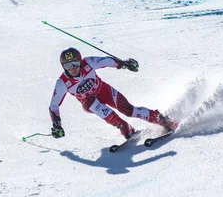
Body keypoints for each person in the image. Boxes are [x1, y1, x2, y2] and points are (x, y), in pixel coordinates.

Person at [49, 47, 178, 140]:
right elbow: (54, 106)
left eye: (75, 63)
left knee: (128, 110)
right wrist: (57, 125)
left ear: (80, 61)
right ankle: (124, 127)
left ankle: (161, 119)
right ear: (63, 66)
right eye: (67, 66)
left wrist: (125, 64)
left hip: (104, 91)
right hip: (89, 103)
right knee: (90, 101)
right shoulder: (62, 83)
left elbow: (107, 61)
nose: (72, 68)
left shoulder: (88, 62)